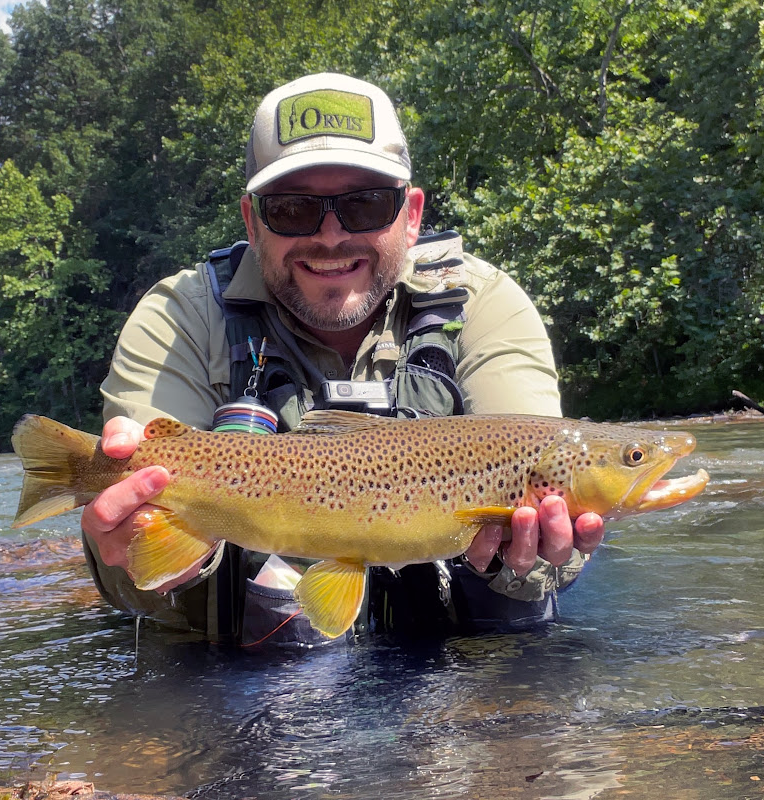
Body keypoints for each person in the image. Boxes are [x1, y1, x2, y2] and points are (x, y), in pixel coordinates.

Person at [81, 73, 605, 647]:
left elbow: (539, 463)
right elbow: (125, 527)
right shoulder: (181, 316)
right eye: (292, 208)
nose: (330, 236)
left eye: (365, 203)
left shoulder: (482, 304)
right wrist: (140, 556)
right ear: (251, 221)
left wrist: (531, 560)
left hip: (460, 674)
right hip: (252, 686)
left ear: (411, 215)